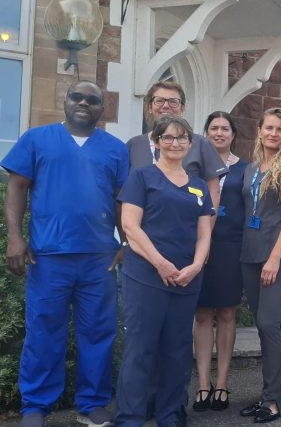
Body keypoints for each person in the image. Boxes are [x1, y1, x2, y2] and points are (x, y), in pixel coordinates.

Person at [1, 81, 129, 427]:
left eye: (93, 100)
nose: (84, 103)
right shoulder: (36, 139)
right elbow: (17, 188)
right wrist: (15, 238)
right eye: (77, 97)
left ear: (103, 108)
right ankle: (35, 406)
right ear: (66, 101)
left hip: (99, 259)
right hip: (48, 256)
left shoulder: (115, 149)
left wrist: (126, 243)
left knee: (99, 332)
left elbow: (122, 201)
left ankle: (92, 404)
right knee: (43, 330)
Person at [115, 116, 214, 427]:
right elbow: (130, 227)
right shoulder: (141, 177)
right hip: (146, 276)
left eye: (182, 138)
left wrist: (196, 265)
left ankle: (169, 415)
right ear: (156, 142)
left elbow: (204, 233)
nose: (175, 143)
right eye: (168, 137)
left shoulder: (199, 186)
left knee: (178, 349)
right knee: (140, 349)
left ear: (190, 143)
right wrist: (160, 262)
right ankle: (130, 417)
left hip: (186, 279)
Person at [238, 108, 281, 423]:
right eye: (269, 128)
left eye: (279, 129)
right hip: (249, 253)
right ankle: (268, 394)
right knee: (264, 326)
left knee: (269, 324)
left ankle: (275, 399)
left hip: (277, 255)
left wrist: (275, 257)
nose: (273, 134)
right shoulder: (251, 168)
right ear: (260, 131)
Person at [193, 111, 248, 412]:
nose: (219, 133)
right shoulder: (195, 166)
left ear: (233, 134)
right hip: (199, 244)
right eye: (213, 128)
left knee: (227, 313)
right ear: (206, 133)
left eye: (225, 128)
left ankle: (223, 383)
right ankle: (203, 383)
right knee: (202, 314)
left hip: (231, 246)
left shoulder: (246, 168)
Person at [126, 81, 227, 215]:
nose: (166, 106)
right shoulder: (134, 145)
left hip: (188, 224)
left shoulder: (200, 144)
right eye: (159, 101)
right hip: (139, 224)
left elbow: (213, 191)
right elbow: (124, 191)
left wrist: (206, 226)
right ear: (150, 106)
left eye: (173, 102)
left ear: (182, 108)